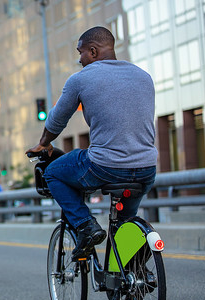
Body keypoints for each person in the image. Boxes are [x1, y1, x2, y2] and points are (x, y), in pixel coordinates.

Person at [26, 26, 157, 260]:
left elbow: (56, 120)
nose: (80, 59)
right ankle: (131, 279)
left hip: (105, 166)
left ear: (93, 51)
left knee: (53, 172)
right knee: (124, 225)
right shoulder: (143, 76)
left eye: (81, 53)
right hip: (147, 169)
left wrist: (43, 143)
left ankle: (86, 225)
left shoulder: (81, 79)